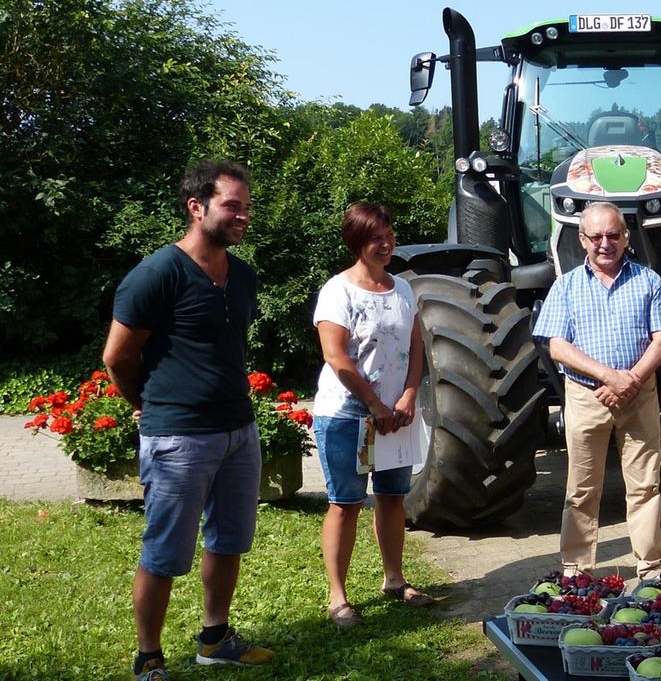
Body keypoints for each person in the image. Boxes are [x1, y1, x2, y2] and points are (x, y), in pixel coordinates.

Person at [102, 160, 274, 681]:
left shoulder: (242, 276)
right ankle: (148, 657)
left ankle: (215, 637)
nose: (243, 215)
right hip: (178, 437)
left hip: (239, 431)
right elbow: (117, 356)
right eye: (232, 205)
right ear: (196, 207)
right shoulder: (158, 273)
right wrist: (146, 405)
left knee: (229, 540)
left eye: (247, 206)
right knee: (164, 552)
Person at [532, 201, 661, 579]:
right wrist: (611, 377)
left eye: (613, 235)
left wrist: (630, 380)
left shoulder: (648, 280)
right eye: (596, 236)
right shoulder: (566, 285)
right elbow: (557, 346)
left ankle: (651, 568)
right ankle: (577, 571)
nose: (605, 243)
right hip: (586, 396)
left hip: (639, 394)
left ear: (626, 237)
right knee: (581, 489)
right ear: (582, 240)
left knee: (645, 485)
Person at [312, 202, 432, 628]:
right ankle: (338, 597)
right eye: (374, 238)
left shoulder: (402, 289)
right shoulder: (338, 291)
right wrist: (374, 404)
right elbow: (336, 356)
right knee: (345, 503)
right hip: (347, 414)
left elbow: (416, 347)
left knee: (393, 497)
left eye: (388, 235)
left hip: (396, 415)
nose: (385, 244)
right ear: (357, 243)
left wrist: (410, 394)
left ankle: (395, 580)